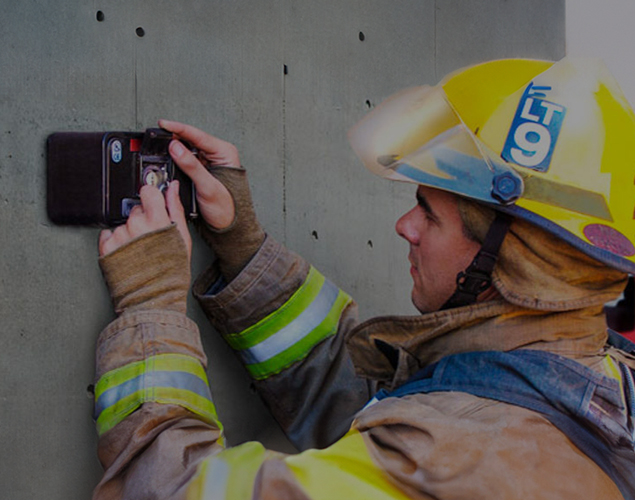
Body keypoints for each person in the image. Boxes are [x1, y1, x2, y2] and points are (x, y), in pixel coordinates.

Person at [92, 57, 635, 499]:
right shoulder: (587, 378)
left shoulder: (453, 467)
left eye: (428, 211)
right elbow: (379, 409)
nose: (404, 226)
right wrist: (242, 244)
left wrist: (151, 307)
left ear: (511, 257)